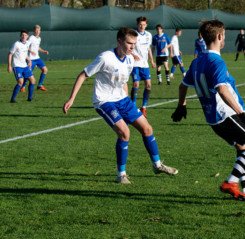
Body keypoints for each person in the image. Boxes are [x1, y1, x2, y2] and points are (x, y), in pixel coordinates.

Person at [63, 27, 178, 184]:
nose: (132, 47)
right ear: (119, 41)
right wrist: (71, 99)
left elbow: (123, 83)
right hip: (104, 101)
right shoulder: (105, 58)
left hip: (122, 100)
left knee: (147, 128)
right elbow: (83, 75)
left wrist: (127, 101)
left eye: (134, 44)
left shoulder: (130, 59)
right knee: (125, 132)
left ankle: (157, 165)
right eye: (129, 43)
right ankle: (121, 175)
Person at [171, 20, 245, 201]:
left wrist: (181, 106)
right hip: (226, 114)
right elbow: (222, 89)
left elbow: (183, 86)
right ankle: (231, 182)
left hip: (213, 119)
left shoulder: (197, 61)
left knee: (243, 150)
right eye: (224, 36)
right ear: (219, 36)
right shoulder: (217, 62)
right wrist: (240, 113)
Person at [130, 16, 156, 118]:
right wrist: (133, 55)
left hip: (145, 65)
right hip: (135, 64)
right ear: (137, 25)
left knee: (148, 85)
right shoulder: (133, 34)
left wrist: (152, 61)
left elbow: (148, 48)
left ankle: (144, 107)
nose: (142, 26)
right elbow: (128, 47)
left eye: (144, 24)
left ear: (146, 25)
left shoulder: (148, 35)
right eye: (140, 24)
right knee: (136, 84)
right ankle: (133, 106)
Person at [8, 29, 36, 103]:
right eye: (22, 35)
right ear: (20, 36)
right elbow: (10, 54)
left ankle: (30, 98)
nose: (24, 36)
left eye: (25, 35)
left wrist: (29, 60)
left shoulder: (27, 43)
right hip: (17, 66)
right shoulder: (16, 44)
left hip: (24, 65)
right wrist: (9, 66)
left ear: (27, 36)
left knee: (32, 80)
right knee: (20, 82)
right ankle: (12, 99)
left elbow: (24, 54)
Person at [21, 25, 49, 92]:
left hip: (37, 58)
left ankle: (40, 85)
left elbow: (37, 47)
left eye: (38, 30)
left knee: (45, 70)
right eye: (36, 30)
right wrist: (31, 51)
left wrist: (43, 51)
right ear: (34, 31)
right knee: (28, 74)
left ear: (40, 31)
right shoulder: (31, 38)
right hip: (31, 59)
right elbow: (26, 46)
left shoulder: (39, 38)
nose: (37, 32)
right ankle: (23, 86)